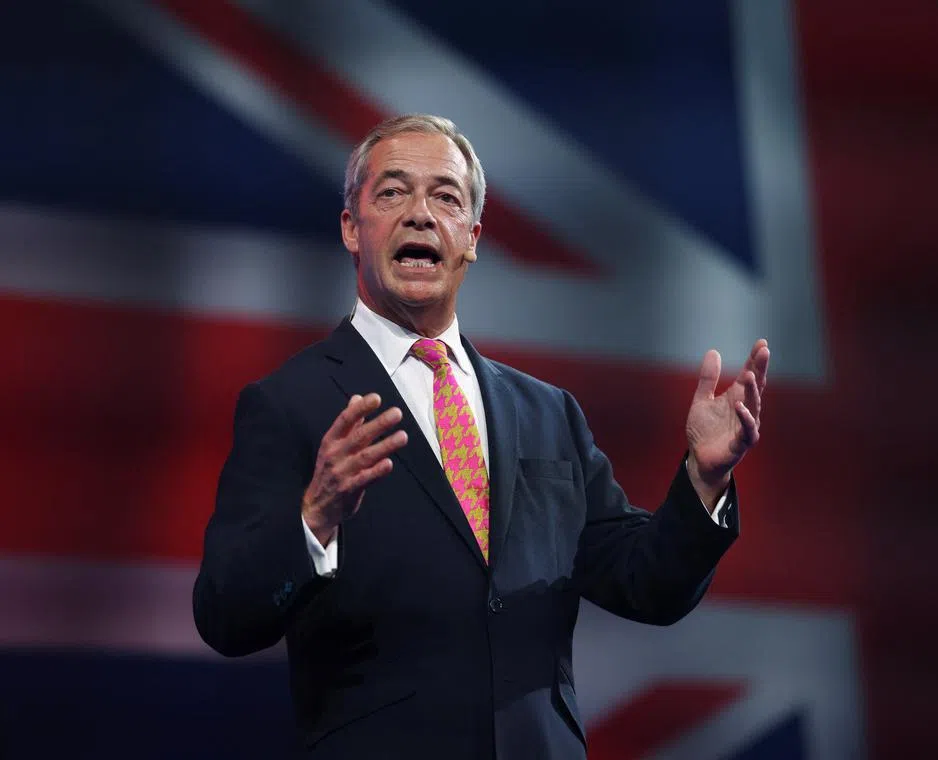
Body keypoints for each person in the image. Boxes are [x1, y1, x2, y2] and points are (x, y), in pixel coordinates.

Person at [192, 114, 770, 759]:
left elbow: (646, 586)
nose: (419, 214)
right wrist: (314, 517)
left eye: (446, 197)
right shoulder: (289, 403)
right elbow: (226, 616)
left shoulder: (548, 412)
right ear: (352, 228)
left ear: (471, 237)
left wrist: (705, 480)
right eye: (391, 193)